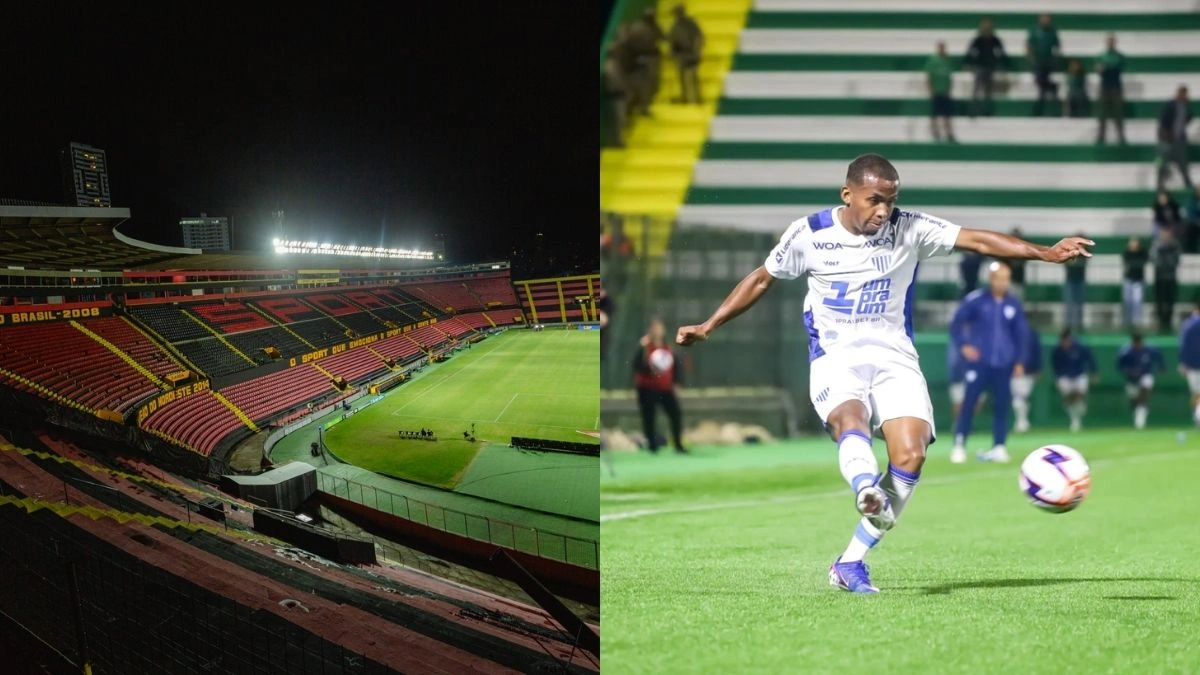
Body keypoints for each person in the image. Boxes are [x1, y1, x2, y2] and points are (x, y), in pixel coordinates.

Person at [674, 154, 1092, 593]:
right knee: (849, 419)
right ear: (847, 194)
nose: (883, 211)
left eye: (890, 201)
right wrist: (708, 325)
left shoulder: (908, 227)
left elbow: (977, 241)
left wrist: (1044, 253)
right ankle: (864, 486)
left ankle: (850, 562)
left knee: (910, 455)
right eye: (875, 200)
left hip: (894, 356)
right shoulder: (809, 234)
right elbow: (762, 278)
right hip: (835, 356)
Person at [949, 262, 1030, 463]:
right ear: (991, 279)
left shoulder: (1014, 304)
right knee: (969, 403)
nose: (1003, 282)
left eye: (1007, 278)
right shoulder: (976, 300)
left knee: (1002, 406)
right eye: (1000, 278)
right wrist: (964, 345)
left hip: (1003, 364)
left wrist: (1019, 360)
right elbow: (956, 324)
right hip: (979, 363)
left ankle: (999, 446)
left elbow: (1021, 334)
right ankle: (959, 444)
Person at [634, 318, 687, 454]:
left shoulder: (668, 347)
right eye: (655, 328)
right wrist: (643, 350)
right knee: (649, 416)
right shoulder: (645, 347)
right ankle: (652, 445)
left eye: (660, 327)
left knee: (676, 414)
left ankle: (678, 444)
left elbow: (676, 367)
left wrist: (677, 383)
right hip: (648, 388)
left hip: (665, 388)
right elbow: (637, 366)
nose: (657, 330)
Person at [1117, 333, 1166, 429]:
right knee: (1134, 400)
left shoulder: (1150, 349)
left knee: (1145, 389)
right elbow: (1119, 367)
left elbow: (1160, 357)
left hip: (1145, 375)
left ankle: (1141, 417)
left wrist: (1162, 368)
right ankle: (1140, 409)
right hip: (1131, 380)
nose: (1138, 346)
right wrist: (1129, 371)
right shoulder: (1125, 352)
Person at [1052, 329, 1098, 432]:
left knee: (1079, 395)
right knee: (1069, 398)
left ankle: (1080, 410)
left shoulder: (1080, 347)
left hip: (1079, 375)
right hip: (1064, 376)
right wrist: (1057, 377)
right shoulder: (1057, 350)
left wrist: (1094, 372)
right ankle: (1074, 420)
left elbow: (1090, 359)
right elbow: (1055, 365)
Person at [963, 18, 1008, 118]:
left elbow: (1001, 53)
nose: (987, 28)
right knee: (977, 90)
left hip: (990, 67)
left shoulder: (995, 40)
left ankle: (986, 111)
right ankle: (973, 111)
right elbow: (970, 52)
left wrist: (1001, 64)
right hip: (980, 67)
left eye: (988, 26)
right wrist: (969, 64)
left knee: (988, 91)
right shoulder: (978, 40)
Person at [1157, 86, 1194, 191]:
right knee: (1163, 163)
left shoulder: (1185, 107)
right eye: (1182, 93)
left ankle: (1187, 182)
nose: (1184, 96)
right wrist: (1165, 135)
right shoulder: (1170, 105)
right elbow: (1163, 121)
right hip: (1167, 139)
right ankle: (1160, 183)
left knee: (1183, 162)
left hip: (1180, 139)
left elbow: (1190, 117)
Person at [667, 4, 704, 104]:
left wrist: (697, 51)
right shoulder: (675, 26)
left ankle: (697, 97)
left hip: (690, 53)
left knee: (693, 76)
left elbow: (699, 37)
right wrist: (672, 52)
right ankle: (685, 97)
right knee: (683, 77)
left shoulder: (690, 23)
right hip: (682, 54)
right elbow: (672, 40)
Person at [1027, 13, 1062, 116]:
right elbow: (1029, 44)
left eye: (1047, 19)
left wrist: (1055, 58)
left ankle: (1038, 109)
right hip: (1038, 61)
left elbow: (1057, 45)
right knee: (1040, 81)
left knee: (1041, 84)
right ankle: (1052, 87)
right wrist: (1031, 56)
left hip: (1048, 61)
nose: (1045, 21)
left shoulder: (1052, 31)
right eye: (1043, 19)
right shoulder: (1035, 31)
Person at [1095, 34, 1127, 144]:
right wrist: (1102, 69)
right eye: (1108, 41)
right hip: (1104, 87)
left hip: (1116, 87)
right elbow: (1099, 70)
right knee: (1102, 113)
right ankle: (1101, 136)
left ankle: (1121, 136)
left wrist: (1107, 67)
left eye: (1112, 41)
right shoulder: (1102, 56)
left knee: (1118, 113)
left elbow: (1119, 67)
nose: (1110, 43)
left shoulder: (1119, 56)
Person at [1011, 322, 1042, 433]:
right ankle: (1021, 422)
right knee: (1018, 398)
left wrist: (1037, 368)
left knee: (1023, 397)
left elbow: (1037, 351)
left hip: (1029, 371)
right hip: (1013, 371)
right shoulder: (1010, 333)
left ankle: (1022, 422)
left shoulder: (1033, 334)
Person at [1151, 227, 1182, 333]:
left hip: (1171, 277)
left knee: (1170, 299)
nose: (1166, 236)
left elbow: (1176, 259)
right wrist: (1163, 262)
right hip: (1159, 277)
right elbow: (1154, 258)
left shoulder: (1175, 245)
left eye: (1168, 234)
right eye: (1164, 234)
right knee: (1160, 299)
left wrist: (1167, 262)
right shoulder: (1156, 245)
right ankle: (1160, 320)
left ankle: (1168, 320)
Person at [925, 42, 956, 142]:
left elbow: (950, 77)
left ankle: (948, 132)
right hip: (936, 91)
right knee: (935, 113)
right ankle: (935, 131)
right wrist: (930, 90)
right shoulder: (933, 61)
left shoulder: (947, 60)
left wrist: (950, 89)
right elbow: (929, 76)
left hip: (945, 91)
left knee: (947, 114)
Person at [1179, 303, 1200, 426]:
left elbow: (1183, 346)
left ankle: (1197, 416)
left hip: (1191, 364)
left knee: (1196, 392)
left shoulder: (1187, 324)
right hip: (1193, 364)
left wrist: (1183, 363)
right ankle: (1198, 416)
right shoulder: (1189, 325)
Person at [1121, 237, 1149, 329]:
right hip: (1128, 279)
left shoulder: (1143, 252)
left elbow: (1145, 260)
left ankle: (1137, 321)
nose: (1134, 245)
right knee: (1127, 301)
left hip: (1138, 280)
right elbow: (1126, 261)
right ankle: (1127, 321)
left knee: (1137, 301)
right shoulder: (1127, 253)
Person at [1063, 239, 1088, 333]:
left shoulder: (1084, 253)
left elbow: (1084, 262)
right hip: (1070, 281)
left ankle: (1079, 324)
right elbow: (1066, 263)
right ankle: (1068, 325)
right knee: (1069, 303)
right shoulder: (1069, 252)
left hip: (1080, 281)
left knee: (1079, 304)